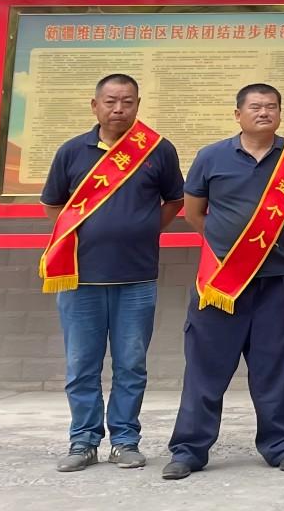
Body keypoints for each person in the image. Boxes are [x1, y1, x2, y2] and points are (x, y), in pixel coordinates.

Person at [165, 84, 284, 480]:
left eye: (271, 106)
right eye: (256, 106)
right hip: (220, 284)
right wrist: (226, 249)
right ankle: (189, 450)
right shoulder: (211, 156)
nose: (264, 112)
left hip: (275, 282)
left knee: (274, 368)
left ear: (280, 113)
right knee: (205, 369)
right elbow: (194, 212)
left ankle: (280, 445)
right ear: (238, 114)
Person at [42, 74, 184, 474]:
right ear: (95, 105)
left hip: (136, 278)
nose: (118, 109)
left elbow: (174, 200)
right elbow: (53, 205)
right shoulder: (72, 151)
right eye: (110, 101)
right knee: (81, 366)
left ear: (138, 104)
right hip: (79, 278)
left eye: (127, 102)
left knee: (131, 365)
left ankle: (125, 440)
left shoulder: (157, 150)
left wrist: (142, 228)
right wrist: (82, 237)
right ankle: (83, 441)